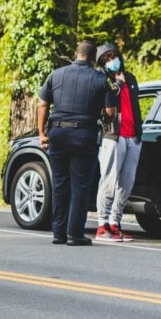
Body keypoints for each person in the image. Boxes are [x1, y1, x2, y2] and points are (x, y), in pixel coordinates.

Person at [38, 40, 114, 246]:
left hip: (58, 133)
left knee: (60, 183)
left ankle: (58, 233)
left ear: (76, 54)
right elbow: (109, 112)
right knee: (80, 185)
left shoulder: (56, 74)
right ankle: (75, 234)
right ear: (92, 58)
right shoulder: (100, 78)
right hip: (84, 135)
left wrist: (42, 133)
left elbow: (43, 104)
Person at [94, 43, 143, 242]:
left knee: (127, 182)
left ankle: (115, 222)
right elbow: (107, 110)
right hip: (113, 136)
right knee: (109, 180)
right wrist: (118, 85)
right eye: (106, 59)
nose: (111, 62)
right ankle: (102, 224)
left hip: (133, 136)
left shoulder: (130, 78)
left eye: (113, 57)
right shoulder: (103, 81)